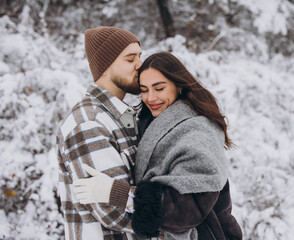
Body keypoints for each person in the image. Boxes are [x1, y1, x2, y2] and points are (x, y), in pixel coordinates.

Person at [75, 52, 243, 240]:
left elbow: (186, 209)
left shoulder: (197, 133)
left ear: (178, 85)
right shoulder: (151, 124)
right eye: (144, 90)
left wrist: (118, 194)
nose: (150, 98)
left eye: (159, 88)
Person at [56, 26, 142, 240]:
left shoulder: (116, 116)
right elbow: (113, 211)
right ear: (105, 66)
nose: (140, 65)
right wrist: (180, 219)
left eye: (140, 57)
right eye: (131, 59)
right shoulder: (88, 124)